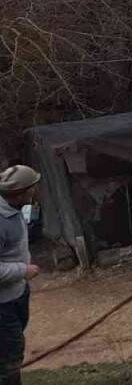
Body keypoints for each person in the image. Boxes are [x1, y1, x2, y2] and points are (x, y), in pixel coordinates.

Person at [0, 165, 41, 385]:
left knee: (9, 348)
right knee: (11, 356)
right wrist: (23, 271)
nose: (35, 192)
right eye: (32, 188)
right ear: (22, 192)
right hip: (2, 304)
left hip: (16, 293)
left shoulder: (11, 209)